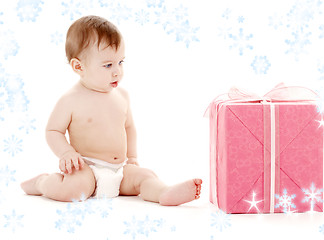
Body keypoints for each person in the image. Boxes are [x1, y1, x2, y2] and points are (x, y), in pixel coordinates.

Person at [21, 15, 202, 205]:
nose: (117, 71)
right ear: (78, 66)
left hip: (120, 169)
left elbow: (129, 128)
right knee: (73, 190)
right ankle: (42, 183)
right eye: (108, 65)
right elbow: (53, 131)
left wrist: (132, 157)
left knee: (145, 176)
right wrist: (66, 153)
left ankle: (164, 193)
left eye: (121, 62)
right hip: (86, 167)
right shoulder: (70, 100)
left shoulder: (122, 96)